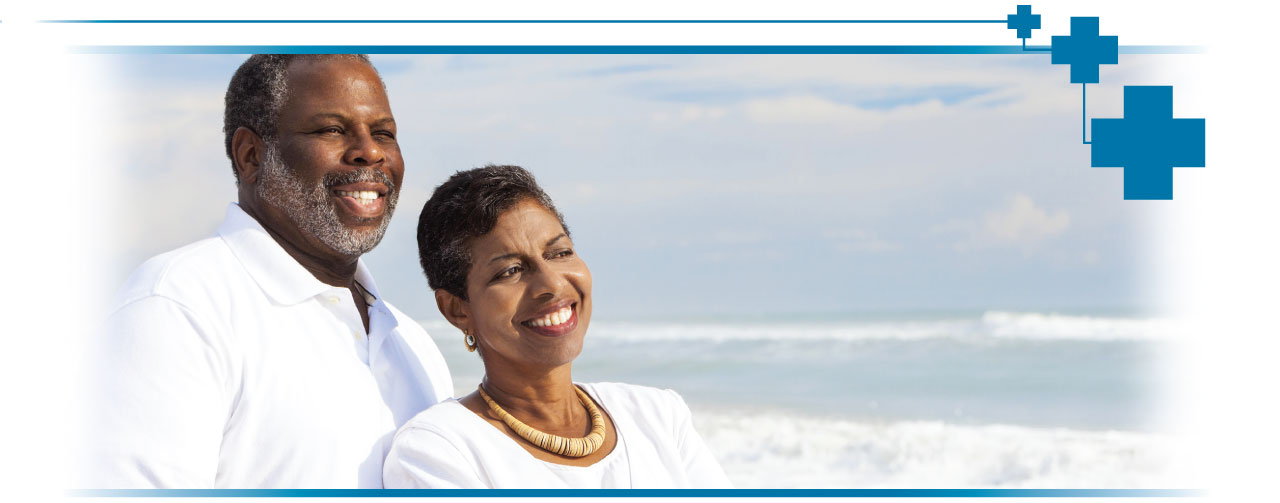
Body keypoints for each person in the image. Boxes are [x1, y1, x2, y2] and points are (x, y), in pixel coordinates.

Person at [81, 54, 453, 488]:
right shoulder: (177, 308)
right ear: (251, 155)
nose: (369, 152)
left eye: (383, 133)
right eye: (332, 129)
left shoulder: (412, 344)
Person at [383, 165, 730, 488]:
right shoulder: (438, 449)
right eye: (510, 271)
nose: (552, 284)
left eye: (560, 253)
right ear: (458, 309)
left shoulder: (657, 417)